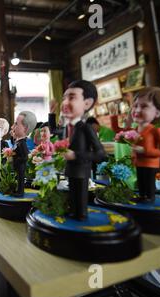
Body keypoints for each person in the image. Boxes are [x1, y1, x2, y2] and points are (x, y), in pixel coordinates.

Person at [112, 87, 160, 203]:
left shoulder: (155, 131)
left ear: (157, 112)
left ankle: (149, 197)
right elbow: (118, 130)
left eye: (144, 106)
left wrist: (145, 150)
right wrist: (114, 116)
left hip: (150, 164)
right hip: (138, 162)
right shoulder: (135, 129)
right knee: (141, 181)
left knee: (148, 182)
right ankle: (142, 196)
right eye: (135, 106)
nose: (137, 110)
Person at [61, 80, 106, 220]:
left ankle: (81, 214)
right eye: (64, 98)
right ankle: (73, 211)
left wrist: (75, 155)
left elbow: (100, 154)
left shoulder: (86, 128)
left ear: (87, 103)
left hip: (81, 169)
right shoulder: (67, 128)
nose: (65, 102)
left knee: (80, 194)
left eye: (72, 97)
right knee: (72, 192)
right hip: (70, 169)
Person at [10, 111, 37, 196]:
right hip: (17, 165)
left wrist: (17, 160)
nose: (12, 127)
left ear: (25, 128)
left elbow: (25, 156)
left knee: (20, 179)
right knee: (18, 179)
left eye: (16, 124)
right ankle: (18, 190)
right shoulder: (18, 141)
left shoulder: (22, 143)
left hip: (20, 166)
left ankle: (20, 192)